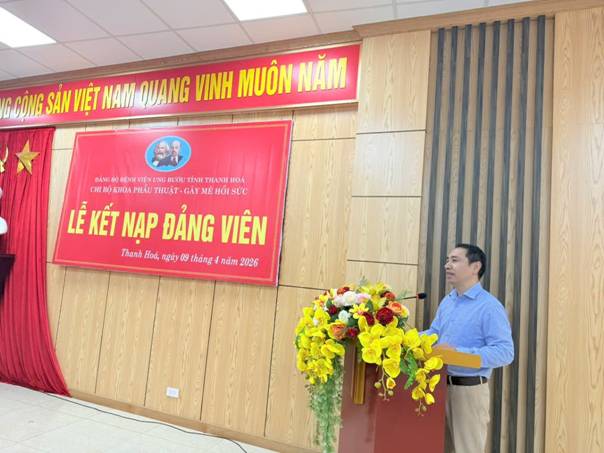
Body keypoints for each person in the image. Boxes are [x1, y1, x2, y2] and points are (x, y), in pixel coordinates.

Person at [423, 243, 514, 453]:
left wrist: (459, 354)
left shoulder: (489, 307)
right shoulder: (448, 301)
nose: (447, 265)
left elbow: (505, 352)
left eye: (454, 260)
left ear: (475, 267)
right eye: (447, 260)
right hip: (439, 387)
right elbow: (434, 333)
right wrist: (405, 339)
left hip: (469, 391)